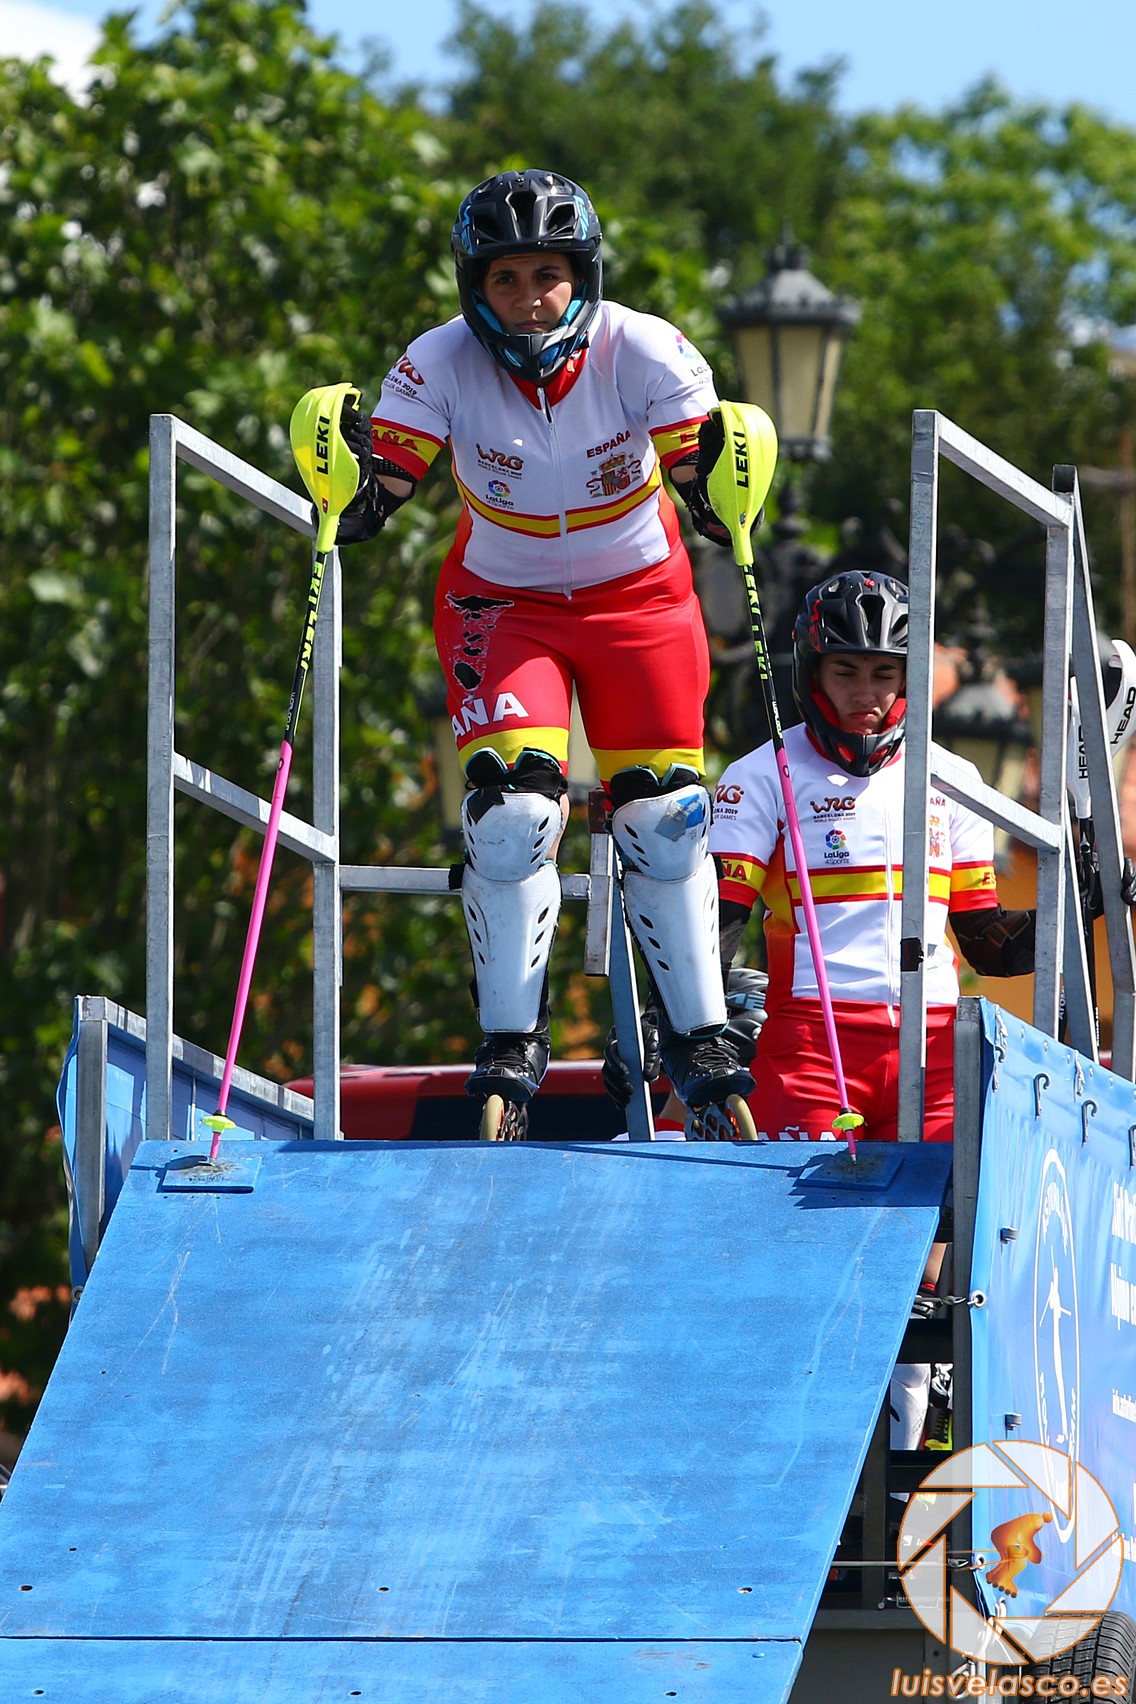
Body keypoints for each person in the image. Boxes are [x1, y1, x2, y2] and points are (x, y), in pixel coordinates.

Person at [326, 168, 752, 1134]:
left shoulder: (646, 347)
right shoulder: (437, 361)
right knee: (512, 813)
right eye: (506, 278)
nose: (529, 299)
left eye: (548, 275)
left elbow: (698, 471)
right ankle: (511, 1044)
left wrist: (720, 496)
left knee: (666, 817)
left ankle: (699, 1039)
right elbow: (386, 484)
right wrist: (348, 489)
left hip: (639, 599)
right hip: (502, 602)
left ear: (583, 275)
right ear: (474, 285)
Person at [708, 568, 1036, 1148]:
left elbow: (987, 946)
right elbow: (717, 928)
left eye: (885, 673)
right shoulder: (759, 774)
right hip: (812, 1043)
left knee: (944, 1204)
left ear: (909, 677)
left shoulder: (956, 779)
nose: (866, 693)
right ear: (812, 674)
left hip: (937, 1048)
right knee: (809, 1208)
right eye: (845, 672)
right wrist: (674, 1021)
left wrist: (1076, 908)